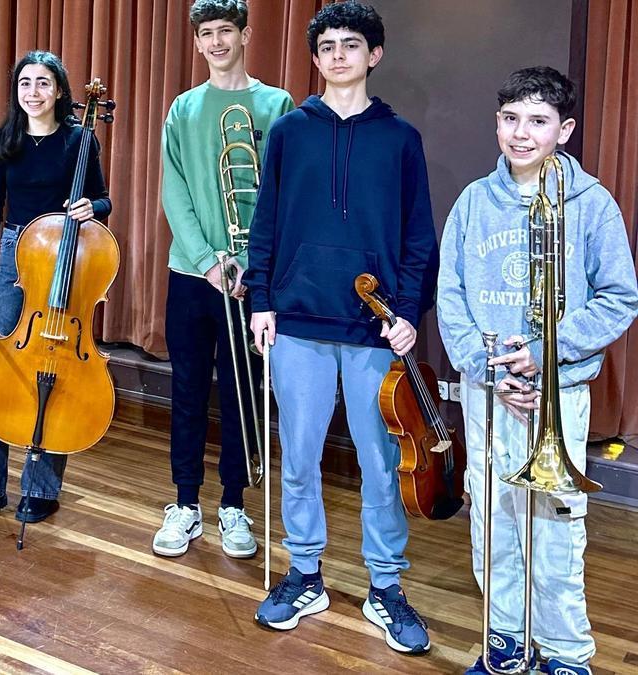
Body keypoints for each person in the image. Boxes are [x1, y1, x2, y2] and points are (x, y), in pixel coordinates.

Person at [243, 1, 437, 654]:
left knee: (382, 463)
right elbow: (266, 221)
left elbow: (417, 236)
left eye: (351, 45)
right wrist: (261, 299)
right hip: (296, 321)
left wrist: (409, 311)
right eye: (326, 46)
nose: (337, 55)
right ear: (315, 56)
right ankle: (305, 573)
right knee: (298, 458)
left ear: (374, 54)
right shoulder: (289, 132)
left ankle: (385, 584)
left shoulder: (401, 138)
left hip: (373, 327)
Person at [437, 66, 638, 675]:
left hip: (560, 391)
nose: (521, 133)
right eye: (510, 118)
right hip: (489, 389)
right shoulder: (474, 202)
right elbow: (451, 297)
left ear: (565, 129)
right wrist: (488, 367)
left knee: (553, 528)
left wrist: (546, 353)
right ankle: (506, 638)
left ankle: (566, 651)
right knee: (493, 520)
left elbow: (618, 298)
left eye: (538, 121)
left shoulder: (592, 204)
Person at [155, 0, 294, 560]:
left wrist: (250, 267)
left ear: (245, 35)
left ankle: (233, 504)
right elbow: (175, 191)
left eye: (225, 32)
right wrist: (210, 261)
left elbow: (280, 197)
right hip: (193, 275)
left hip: (251, 279)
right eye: (206, 34)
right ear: (197, 42)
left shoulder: (276, 103)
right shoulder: (183, 109)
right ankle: (185, 504)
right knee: (187, 390)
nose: (215, 42)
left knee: (245, 397)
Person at [0, 51, 111, 525]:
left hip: (64, 254)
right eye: (25, 84)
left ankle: (42, 488)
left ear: (59, 90)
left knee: (55, 370)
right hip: (15, 255)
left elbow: (104, 198)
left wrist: (91, 208)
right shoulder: (6, 141)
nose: (33, 92)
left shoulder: (80, 140)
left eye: (43, 83)